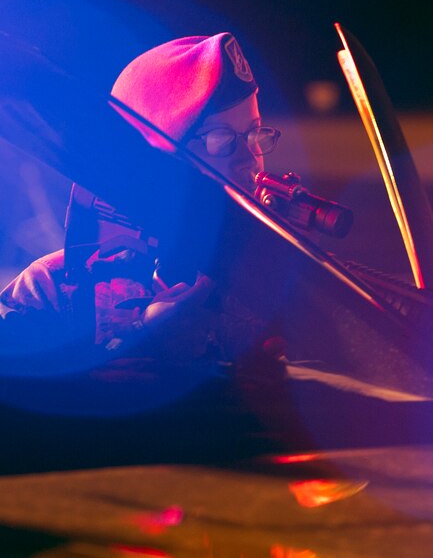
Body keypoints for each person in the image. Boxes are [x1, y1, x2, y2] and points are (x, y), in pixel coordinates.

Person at [0, 33, 281, 371]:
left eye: (255, 133)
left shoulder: (275, 278)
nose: (250, 160)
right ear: (153, 165)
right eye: (220, 139)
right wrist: (141, 338)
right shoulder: (51, 287)